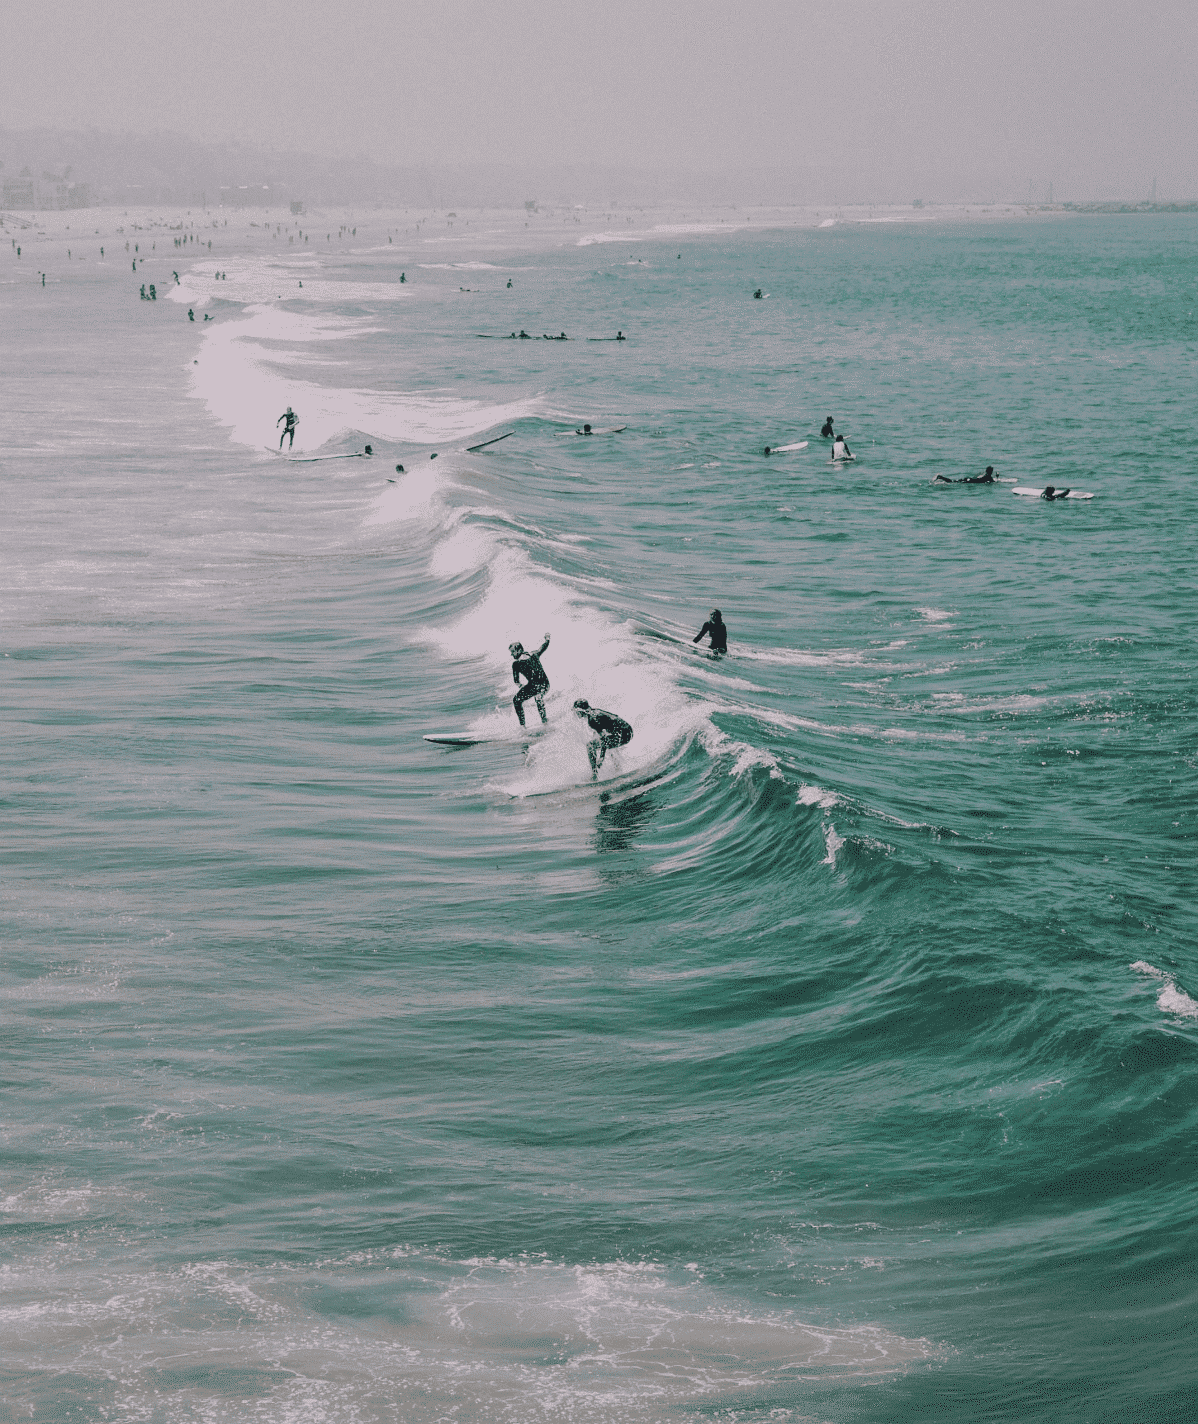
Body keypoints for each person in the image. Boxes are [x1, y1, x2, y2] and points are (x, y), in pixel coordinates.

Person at [573, 699, 633, 779]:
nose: (576, 714)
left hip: (625, 735)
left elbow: (603, 738)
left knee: (590, 745)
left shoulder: (592, 719)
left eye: (576, 711)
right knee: (606, 743)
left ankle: (594, 775)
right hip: (628, 731)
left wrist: (601, 757)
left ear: (580, 711)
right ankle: (617, 767)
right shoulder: (595, 711)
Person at [509, 634, 551, 725]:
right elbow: (544, 646)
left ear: (519, 650)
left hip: (542, 684)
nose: (511, 654)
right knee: (517, 700)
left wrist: (520, 685)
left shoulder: (518, 663)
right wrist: (547, 639)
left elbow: (516, 681)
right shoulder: (532, 655)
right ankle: (525, 725)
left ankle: (543, 722)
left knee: (537, 697)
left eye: (513, 652)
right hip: (538, 685)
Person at [933, 466, 998, 485]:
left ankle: (941, 477)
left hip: (969, 479)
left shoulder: (984, 475)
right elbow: (995, 482)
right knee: (952, 482)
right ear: (991, 472)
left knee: (953, 481)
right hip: (970, 481)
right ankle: (940, 477)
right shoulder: (988, 477)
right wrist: (997, 477)